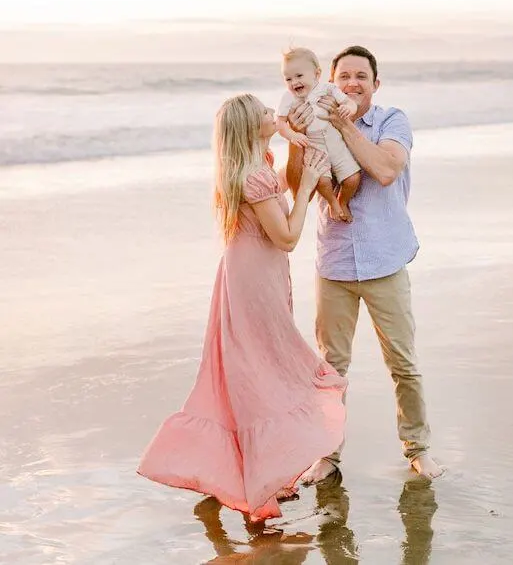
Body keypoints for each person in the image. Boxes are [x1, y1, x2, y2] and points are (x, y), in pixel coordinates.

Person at [138, 94, 347, 522]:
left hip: (250, 275)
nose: (276, 114)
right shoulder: (255, 176)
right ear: (251, 128)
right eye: (266, 114)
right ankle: (259, 482)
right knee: (265, 374)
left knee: (254, 374)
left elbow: (275, 217)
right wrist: (306, 187)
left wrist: (290, 131)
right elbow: (287, 237)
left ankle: (261, 477)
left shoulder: (251, 165)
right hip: (255, 282)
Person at [286, 46, 442, 482]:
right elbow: (298, 183)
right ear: (330, 81)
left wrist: (343, 125)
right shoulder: (313, 116)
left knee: (403, 363)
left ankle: (418, 448)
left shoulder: (392, 121)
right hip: (334, 262)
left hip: (384, 259)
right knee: (331, 367)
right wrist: (296, 141)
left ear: (376, 83)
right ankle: (326, 456)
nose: (352, 84)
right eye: (344, 77)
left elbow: (386, 169)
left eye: (361, 76)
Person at [276, 46, 361, 222]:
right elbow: (280, 123)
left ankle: (342, 201)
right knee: (323, 182)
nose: (294, 83)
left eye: (299, 76)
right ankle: (332, 203)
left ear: (316, 73)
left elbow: (349, 102)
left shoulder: (327, 89)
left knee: (353, 178)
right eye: (288, 79)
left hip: (335, 142)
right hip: (314, 146)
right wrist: (293, 135)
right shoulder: (288, 98)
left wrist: (348, 108)